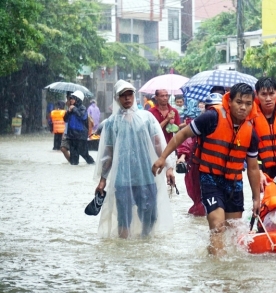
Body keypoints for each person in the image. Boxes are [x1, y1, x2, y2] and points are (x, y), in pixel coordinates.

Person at [152, 83, 261, 256]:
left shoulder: (250, 132)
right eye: (239, 102)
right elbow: (182, 134)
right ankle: (216, 269)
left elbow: (253, 168)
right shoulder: (211, 117)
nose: (243, 107)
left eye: (248, 103)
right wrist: (162, 158)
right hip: (211, 180)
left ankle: (229, 273)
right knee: (217, 226)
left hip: (234, 184)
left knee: (234, 232)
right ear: (229, 101)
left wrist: (257, 198)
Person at [94, 80, 176, 239]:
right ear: (117, 98)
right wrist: (103, 180)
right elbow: (108, 153)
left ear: (134, 95)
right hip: (122, 179)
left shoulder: (146, 118)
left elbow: (158, 144)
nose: (127, 98)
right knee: (123, 220)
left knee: (150, 218)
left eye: (129, 94)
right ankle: (125, 252)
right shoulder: (111, 123)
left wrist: (169, 167)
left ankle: (144, 245)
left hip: (146, 175)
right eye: (122, 95)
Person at [176, 93, 223, 216]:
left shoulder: (229, 126)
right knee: (201, 200)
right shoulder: (199, 124)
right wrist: (182, 157)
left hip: (220, 170)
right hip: (198, 168)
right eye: (211, 108)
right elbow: (188, 142)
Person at [64, 90, 94, 165]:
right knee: (74, 159)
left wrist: (74, 109)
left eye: (73, 98)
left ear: (78, 99)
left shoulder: (82, 108)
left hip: (81, 137)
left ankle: (93, 164)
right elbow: (65, 119)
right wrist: (68, 111)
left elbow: (82, 117)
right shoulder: (70, 109)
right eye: (70, 99)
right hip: (72, 136)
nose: (71, 100)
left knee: (85, 155)